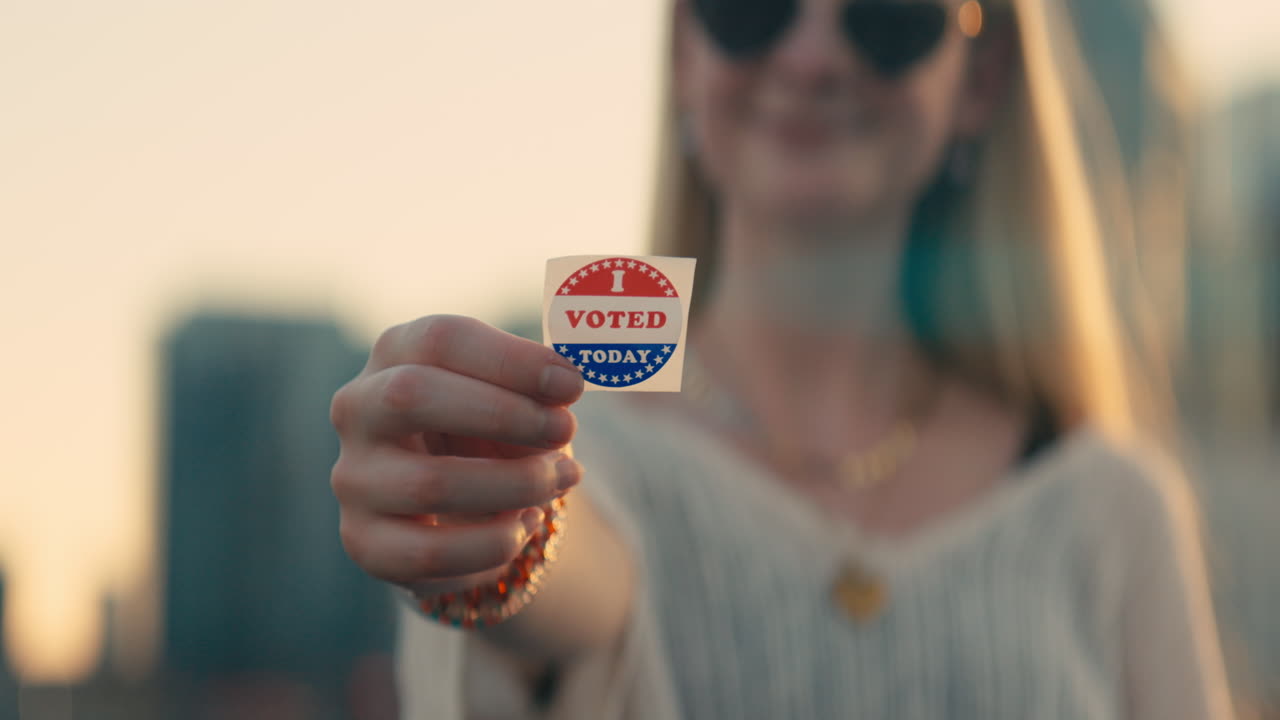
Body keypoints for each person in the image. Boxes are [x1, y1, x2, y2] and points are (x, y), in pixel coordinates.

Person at [328, 0, 1235, 716]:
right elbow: (586, 572)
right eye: (750, 5)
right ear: (684, 53)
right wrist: (493, 539)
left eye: (888, 14)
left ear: (981, 78)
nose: (810, 57)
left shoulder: (1112, 509)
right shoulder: (576, 452)